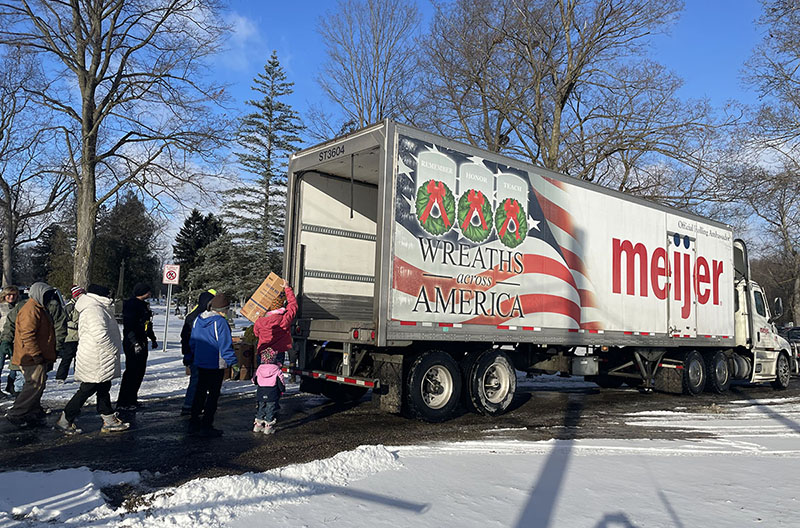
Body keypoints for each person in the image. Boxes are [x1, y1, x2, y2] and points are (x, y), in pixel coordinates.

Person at [56, 284, 130, 434]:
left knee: (103, 387)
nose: (111, 296)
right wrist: (112, 350)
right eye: (109, 293)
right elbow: (100, 335)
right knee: (87, 388)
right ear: (102, 295)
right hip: (97, 357)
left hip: (98, 356)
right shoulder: (94, 309)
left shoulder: (96, 306)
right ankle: (65, 419)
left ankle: (108, 419)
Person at [6, 282, 57, 427]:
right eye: (46, 295)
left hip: (34, 355)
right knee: (33, 385)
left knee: (38, 384)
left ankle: (32, 411)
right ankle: (17, 412)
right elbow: (27, 335)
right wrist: (36, 355)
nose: (49, 298)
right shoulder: (31, 309)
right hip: (30, 356)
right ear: (38, 294)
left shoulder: (38, 307)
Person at [188, 293, 237, 437]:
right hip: (215, 363)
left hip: (200, 362)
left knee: (200, 392)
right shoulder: (221, 323)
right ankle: (207, 425)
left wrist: (192, 355)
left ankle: (194, 421)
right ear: (223, 309)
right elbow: (225, 346)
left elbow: (193, 340)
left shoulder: (199, 319)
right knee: (213, 395)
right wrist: (233, 363)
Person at [252, 282, 297, 432]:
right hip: (277, 353)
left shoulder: (260, 320)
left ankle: (260, 410)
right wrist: (287, 288)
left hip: (262, 352)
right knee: (275, 381)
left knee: (263, 381)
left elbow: (256, 332)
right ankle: (272, 409)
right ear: (280, 305)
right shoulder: (284, 320)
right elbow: (293, 306)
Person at [116, 282, 157, 411]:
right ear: (142, 292)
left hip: (142, 340)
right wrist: (135, 343)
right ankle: (123, 401)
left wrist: (152, 338)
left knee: (140, 371)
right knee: (132, 372)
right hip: (133, 342)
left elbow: (147, 325)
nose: (150, 294)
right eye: (148, 291)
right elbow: (129, 327)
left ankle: (132, 398)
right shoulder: (132, 305)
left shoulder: (144, 306)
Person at [179, 289, 216, 416]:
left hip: (197, 353)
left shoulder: (197, 315)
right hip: (196, 353)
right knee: (196, 380)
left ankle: (195, 404)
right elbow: (186, 337)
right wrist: (187, 353)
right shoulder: (198, 317)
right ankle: (190, 405)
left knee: (200, 381)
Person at [55, 286, 85, 383]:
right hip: (70, 336)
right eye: (81, 294)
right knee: (67, 358)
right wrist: (77, 324)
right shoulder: (70, 306)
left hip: (80, 336)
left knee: (80, 358)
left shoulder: (82, 305)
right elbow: (64, 320)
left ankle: (79, 375)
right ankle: (60, 377)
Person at [0, 285, 19, 397]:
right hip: (2, 338)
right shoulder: (1, 307)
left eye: (13, 295)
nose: (11, 297)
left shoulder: (18, 307)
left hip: (15, 339)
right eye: (9, 295)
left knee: (15, 365)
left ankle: (10, 385)